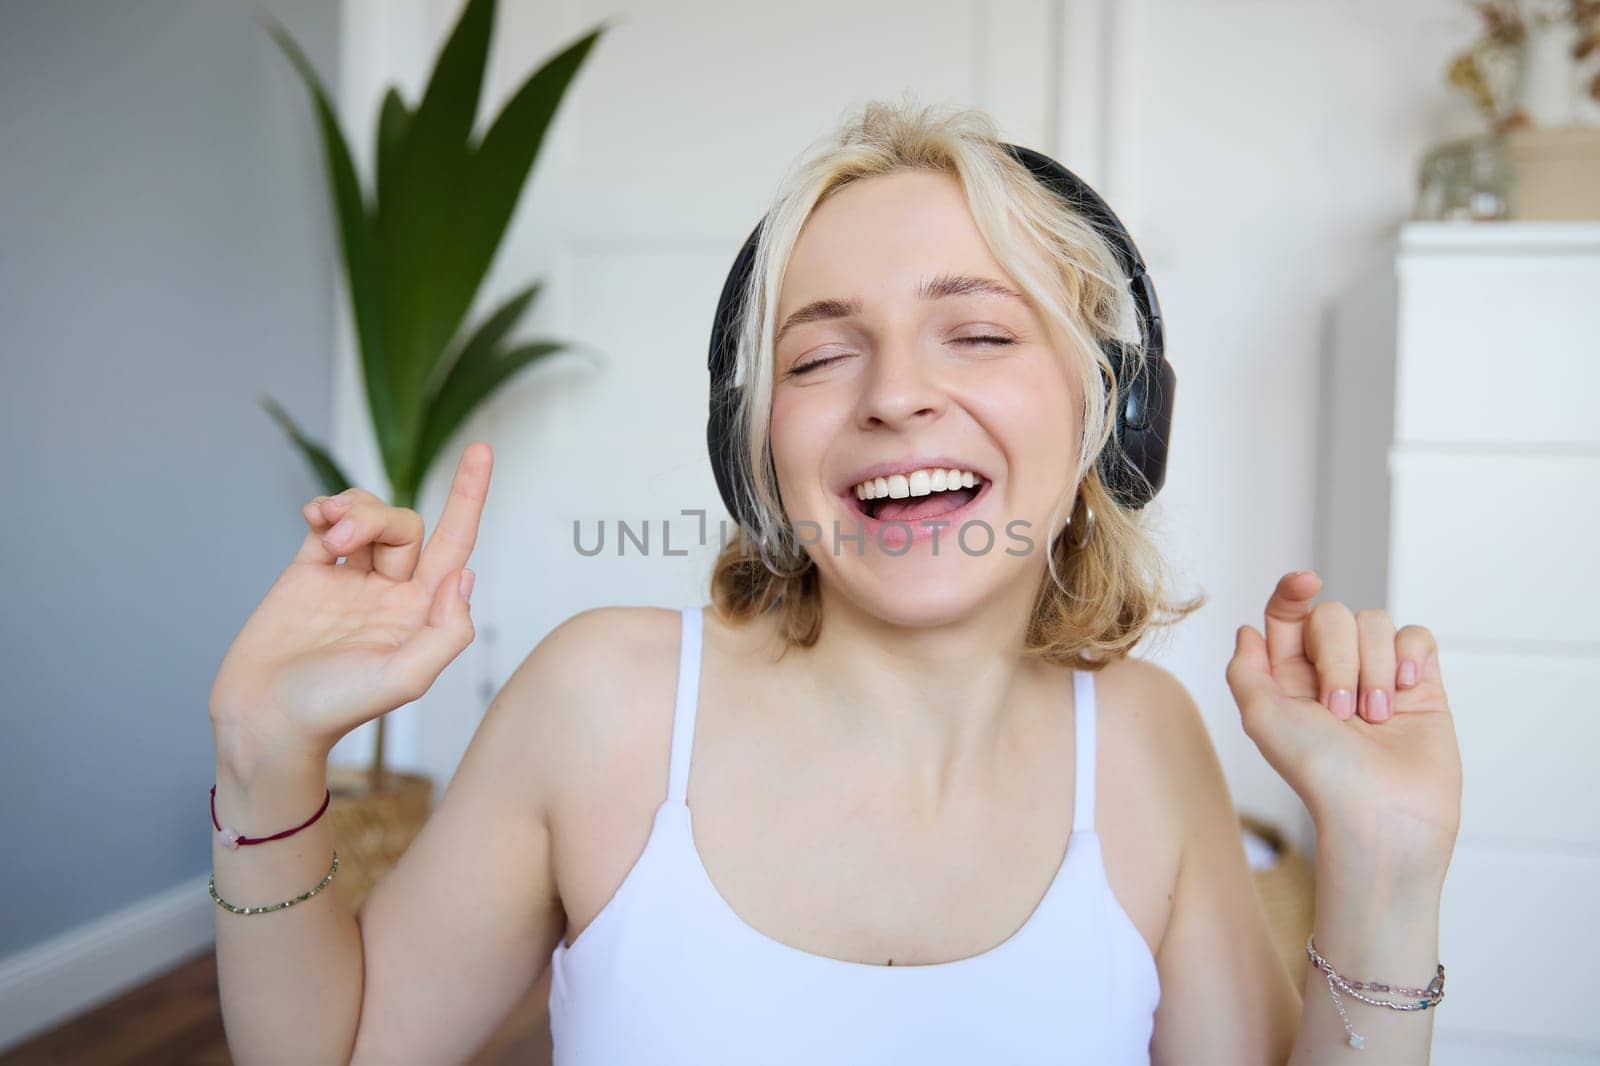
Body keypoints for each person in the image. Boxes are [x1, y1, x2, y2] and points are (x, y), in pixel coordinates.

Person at [207, 99, 1462, 1064]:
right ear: (756, 447)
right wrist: (267, 759)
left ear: (1110, 415)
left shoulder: (1144, 744)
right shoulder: (605, 702)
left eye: (976, 331)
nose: (896, 393)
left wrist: (1387, 870)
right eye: (820, 355)